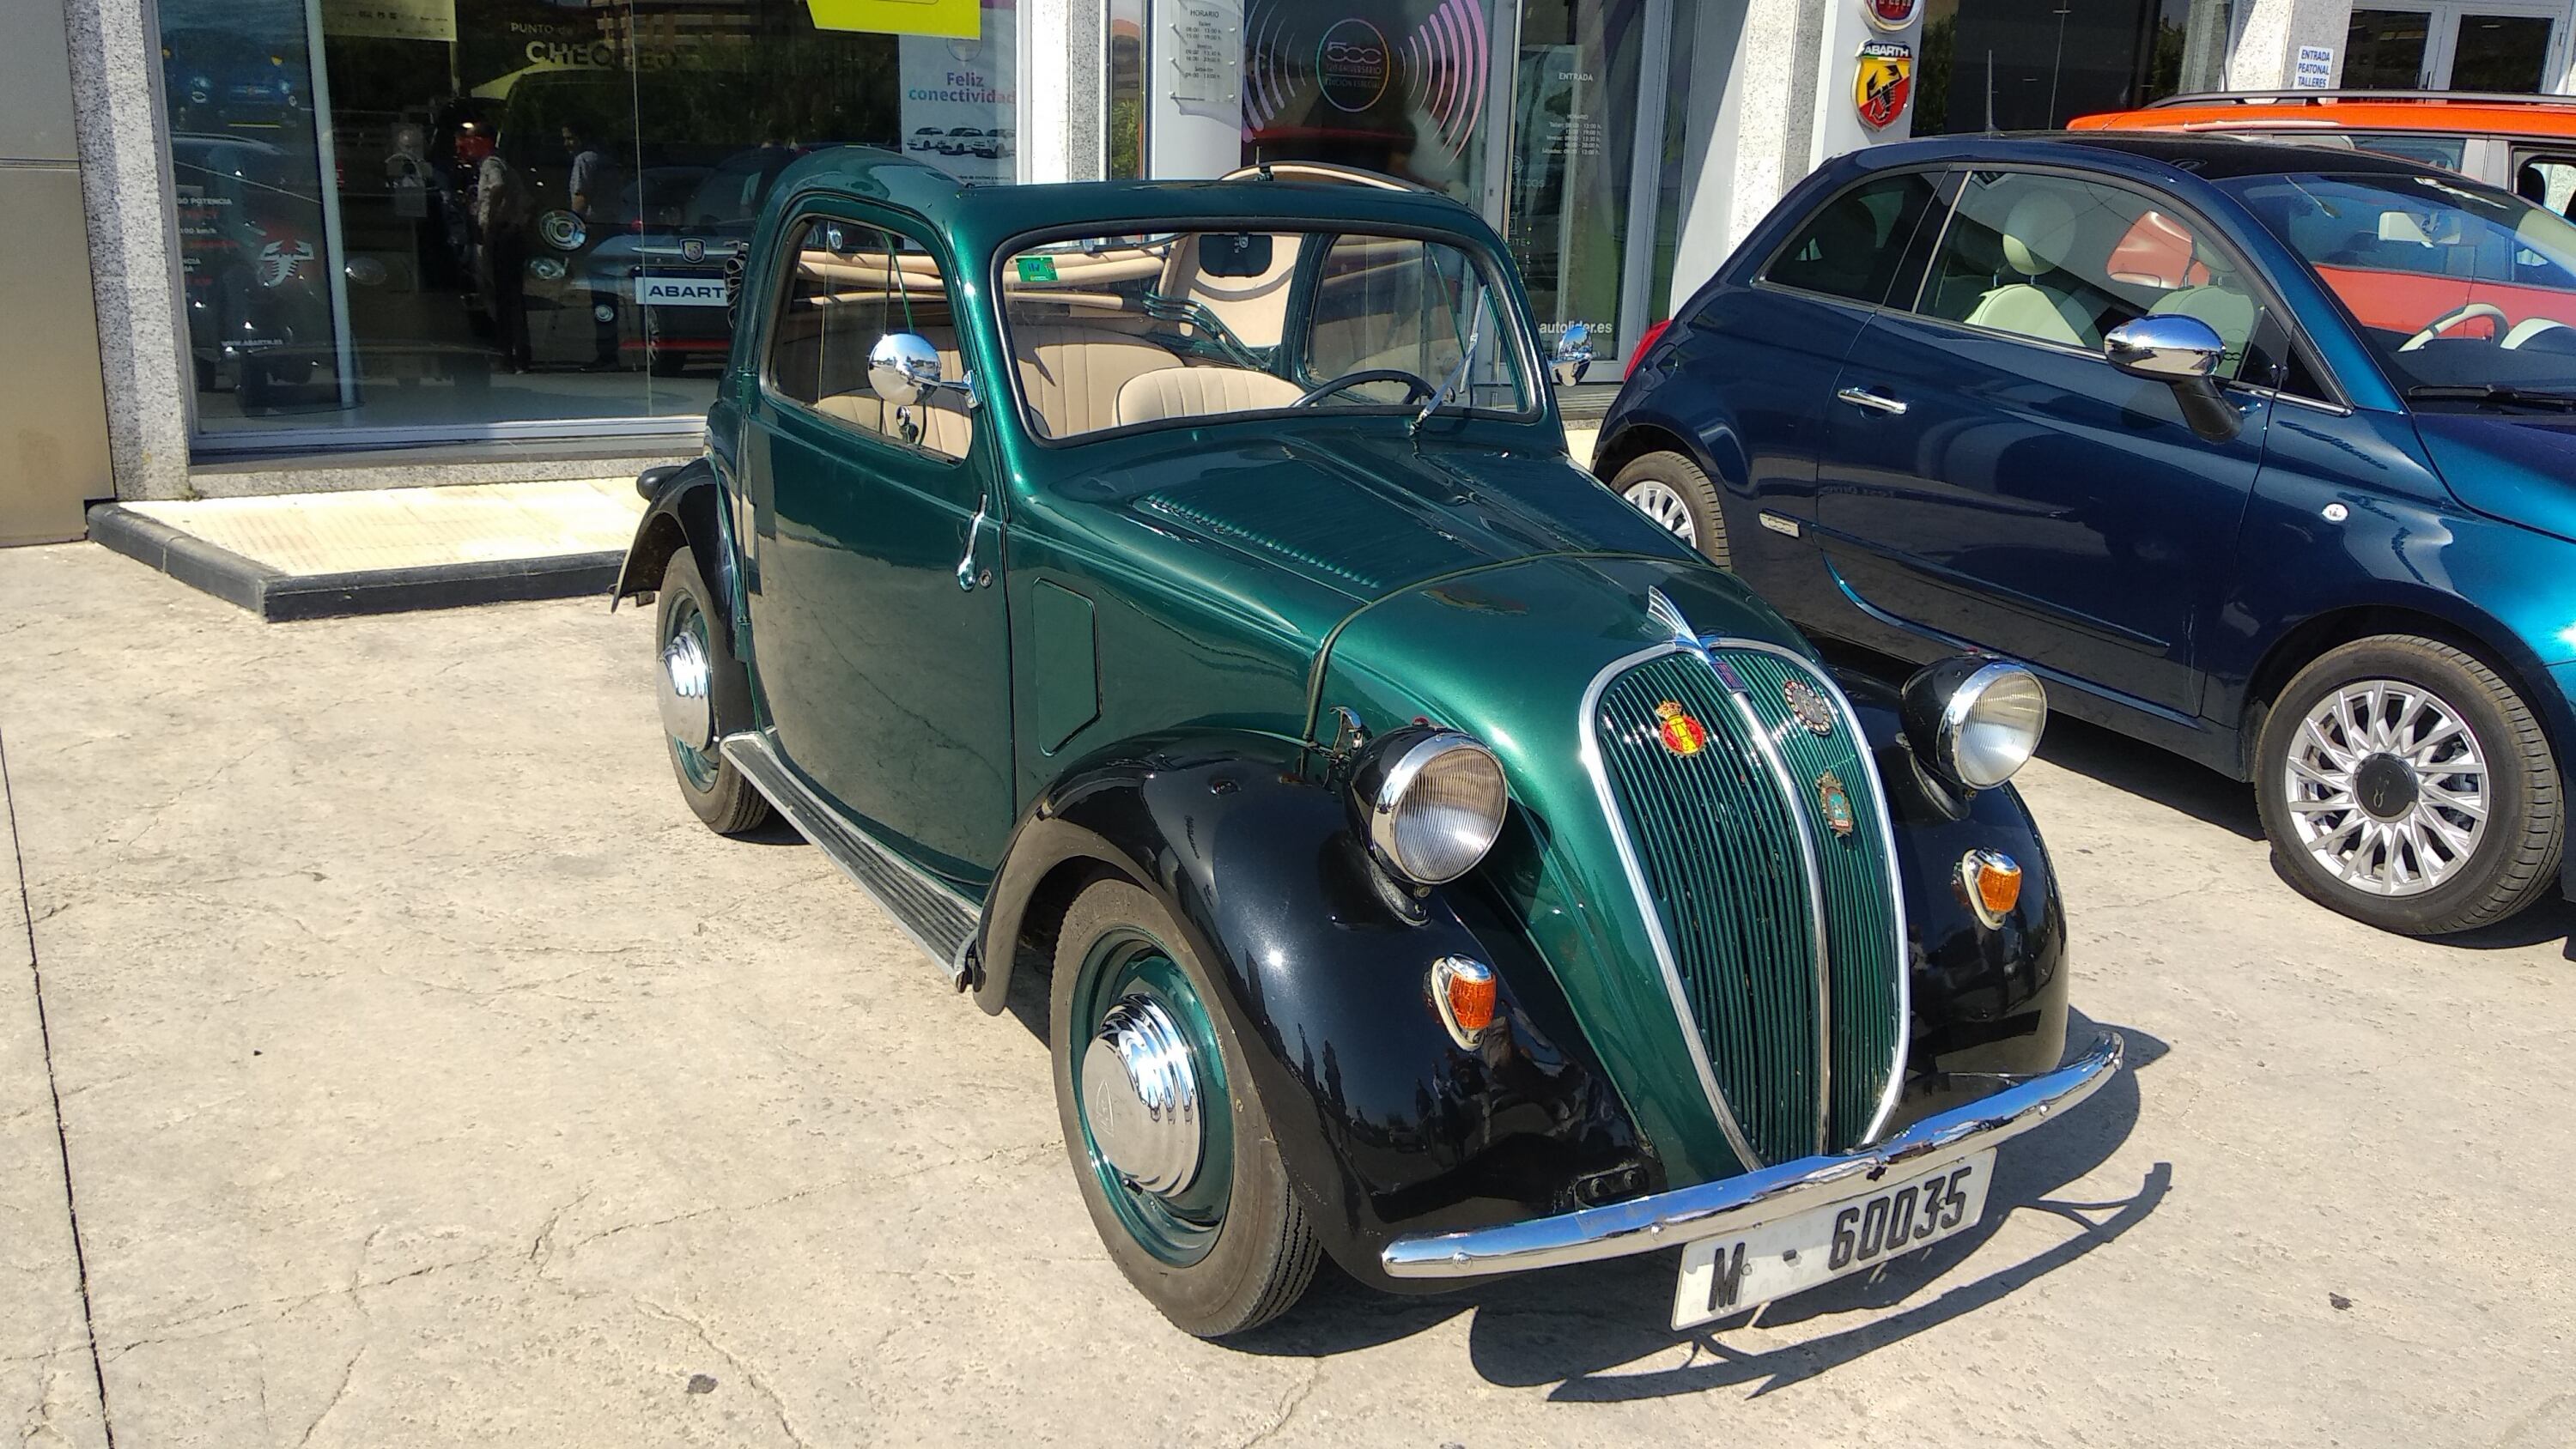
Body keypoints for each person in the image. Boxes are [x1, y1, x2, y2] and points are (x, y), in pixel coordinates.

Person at [562, 125, 624, 369]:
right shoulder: (607, 159)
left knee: (599, 292)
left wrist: (570, 225)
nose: (567, 144)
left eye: (570, 138)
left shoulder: (584, 160)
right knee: (608, 292)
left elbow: (581, 197)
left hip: (594, 230)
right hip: (611, 228)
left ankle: (606, 353)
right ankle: (609, 350)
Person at [477, 149, 534, 373]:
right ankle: (520, 355)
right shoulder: (510, 168)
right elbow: (528, 203)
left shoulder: (491, 164)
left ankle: (507, 356)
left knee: (502, 298)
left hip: (501, 234)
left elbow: (497, 186)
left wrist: (492, 220)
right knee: (513, 298)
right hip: (513, 232)